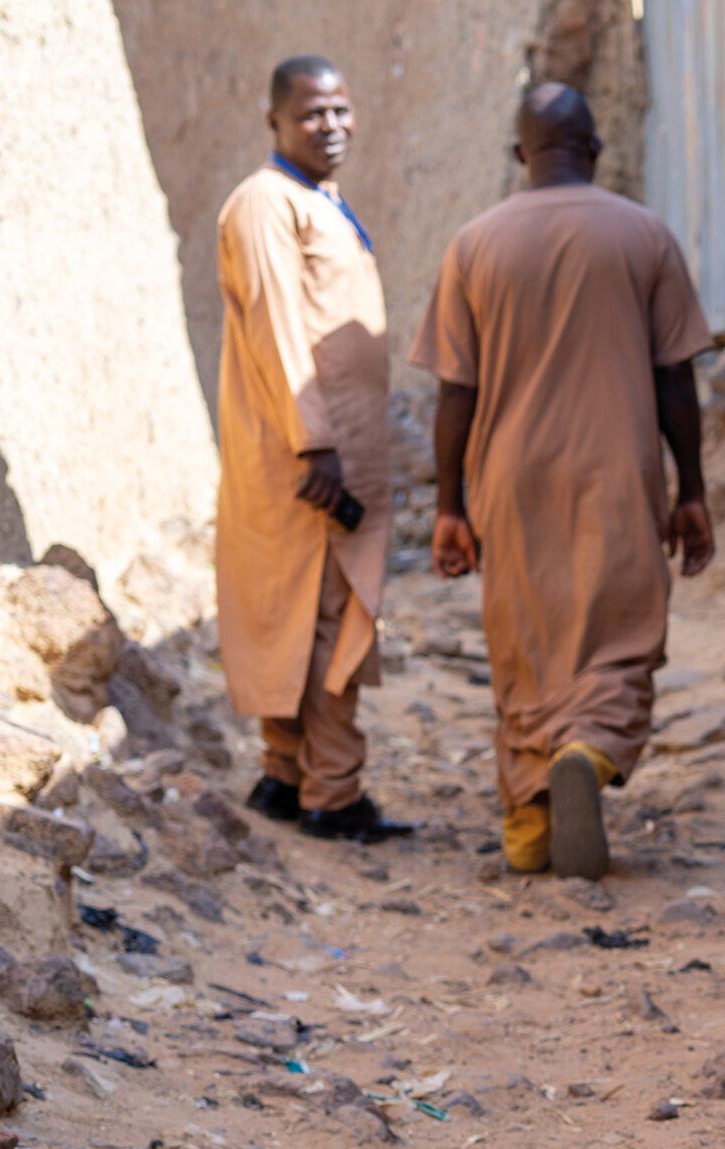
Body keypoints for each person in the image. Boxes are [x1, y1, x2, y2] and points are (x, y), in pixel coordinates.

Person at [411, 83, 716, 879]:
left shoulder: (473, 244)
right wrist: (692, 490)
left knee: (524, 638)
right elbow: (675, 378)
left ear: (519, 155)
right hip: (618, 466)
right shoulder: (644, 234)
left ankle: (528, 819)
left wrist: (449, 506)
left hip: (509, 477)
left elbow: (455, 393)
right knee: (616, 633)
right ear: (596, 149)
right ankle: (591, 746)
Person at [213, 54, 413, 843]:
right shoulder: (265, 202)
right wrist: (315, 444)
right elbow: (276, 329)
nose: (330, 127)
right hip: (308, 460)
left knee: (305, 614)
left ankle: (286, 776)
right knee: (327, 620)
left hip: (328, 453)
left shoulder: (314, 198)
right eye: (310, 115)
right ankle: (334, 792)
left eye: (340, 110)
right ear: (275, 123)